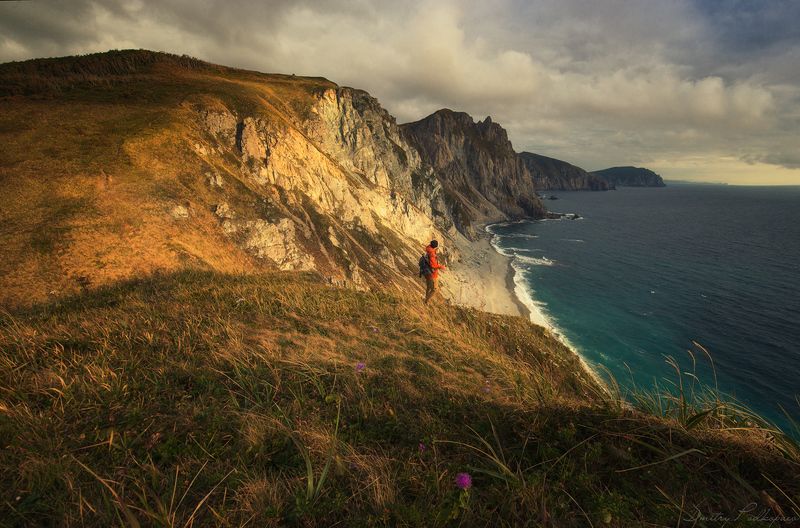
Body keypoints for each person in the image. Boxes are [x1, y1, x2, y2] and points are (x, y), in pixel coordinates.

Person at [423, 239, 446, 304]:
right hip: (432, 274)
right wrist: (441, 266)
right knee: (434, 289)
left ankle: (425, 299)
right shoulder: (432, 254)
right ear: (435, 246)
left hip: (427, 272)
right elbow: (433, 265)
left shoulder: (428, 249)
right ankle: (426, 301)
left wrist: (434, 250)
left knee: (428, 287)